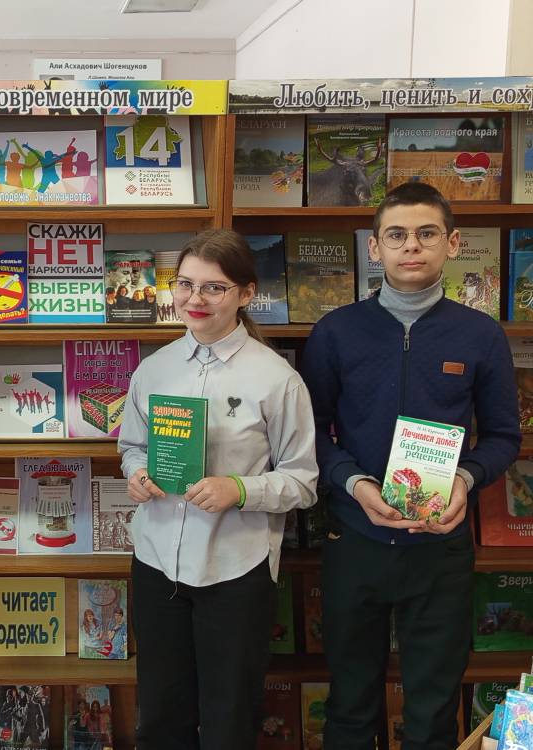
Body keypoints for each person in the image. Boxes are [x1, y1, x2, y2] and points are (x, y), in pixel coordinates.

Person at [300, 182, 520, 749]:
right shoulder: (336, 331)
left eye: (426, 233)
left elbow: (503, 437)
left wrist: (466, 480)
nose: (411, 246)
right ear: (375, 248)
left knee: (432, 710)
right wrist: (354, 483)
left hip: (440, 550)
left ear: (452, 243)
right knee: (350, 705)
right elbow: (307, 435)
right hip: (355, 540)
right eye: (396, 235)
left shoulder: (480, 335)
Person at [118, 229, 318, 749]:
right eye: (185, 284)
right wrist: (136, 473)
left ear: (246, 293)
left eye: (214, 287)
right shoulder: (153, 369)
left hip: (235, 568)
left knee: (229, 718)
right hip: (157, 561)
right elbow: (131, 446)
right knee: (160, 717)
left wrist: (240, 489)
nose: (195, 299)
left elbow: (303, 481)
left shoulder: (277, 379)